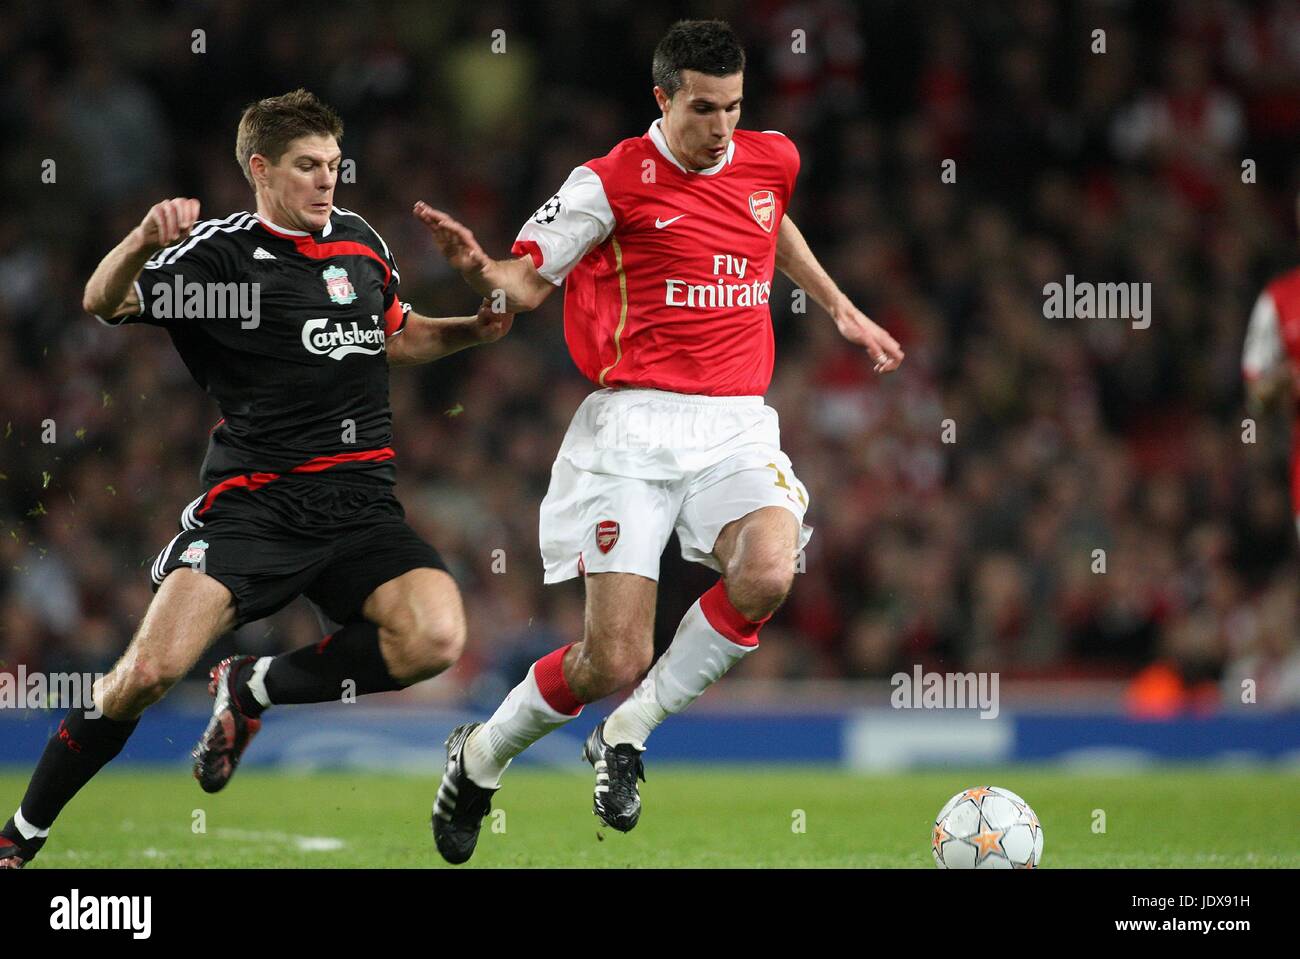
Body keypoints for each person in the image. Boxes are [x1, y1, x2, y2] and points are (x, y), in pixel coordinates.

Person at [414, 20, 903, 864]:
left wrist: (838, 306)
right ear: (664, 97)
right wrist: (479, 271)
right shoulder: (609, 183)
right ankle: (481, 756)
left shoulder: (769, 156)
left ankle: (627, 736)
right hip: (631, 428)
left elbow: (768, 216)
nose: (722, 129)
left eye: (735, 108)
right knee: (614, 656)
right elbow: (525, 284)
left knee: (769, 569)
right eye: (705, 109)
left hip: (735, 423)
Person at [0, 89, 511, 868]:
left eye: (335, 166)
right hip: (255, 508)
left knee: (435, 636)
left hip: (360, 501)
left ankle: (253, 686)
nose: (327, 182)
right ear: (261, 169)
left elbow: (394, 337)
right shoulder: (219, 259)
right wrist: (141, 239)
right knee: (147, 671)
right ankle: (21, 833)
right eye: (308, 167)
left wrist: (471, 331)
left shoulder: (361, 243)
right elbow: (105, 302)